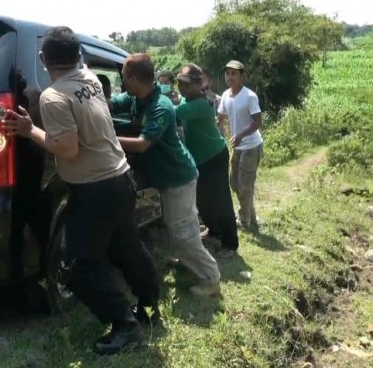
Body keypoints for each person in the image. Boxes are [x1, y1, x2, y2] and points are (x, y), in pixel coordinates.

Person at [2, 27, 160, 355]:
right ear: (79, 57)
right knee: (127, 248)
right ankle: (148, 308)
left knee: (76, 267)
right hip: (121, 179)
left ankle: (124, 325)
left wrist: (30, 130)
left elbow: (68, 149)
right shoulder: (89, 78)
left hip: (95, 190)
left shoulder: (54, 96)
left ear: (43, 59)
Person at [111, 53, 221, 298]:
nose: (123, 82)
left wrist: (104, 139)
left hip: (177, 176)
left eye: (124, 77)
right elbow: (110, 104)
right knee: (183, 228)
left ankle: (210, 278)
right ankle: (189, 259)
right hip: (167, 176)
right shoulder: (135, 98)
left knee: (183, 231)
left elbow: (142, 144)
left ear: (134, 78)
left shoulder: (162, 107)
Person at [175, 64, 239, 258]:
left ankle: (230, 244)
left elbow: (173, 113)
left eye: (186, 84)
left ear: (198, 84)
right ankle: (213, 231)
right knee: (203, 199)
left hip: (214, 156)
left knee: (221, 200)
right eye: (179, 83)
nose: (182, 88)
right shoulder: (189, 100)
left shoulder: (200, 105)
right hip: (201, 159)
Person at [217, 60, 264, 231]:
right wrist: (217, 128)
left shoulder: (249, 96)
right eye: (227, 73)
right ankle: (251, 215)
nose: (230, 77)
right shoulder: (225, 95)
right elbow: (220, 117)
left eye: (234, 73)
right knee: (235, 183)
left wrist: (241, 135)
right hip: (236, 145)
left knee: (244, 185)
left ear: (242, 77)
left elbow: (257, 122)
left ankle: (244, 221)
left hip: (251, 145)